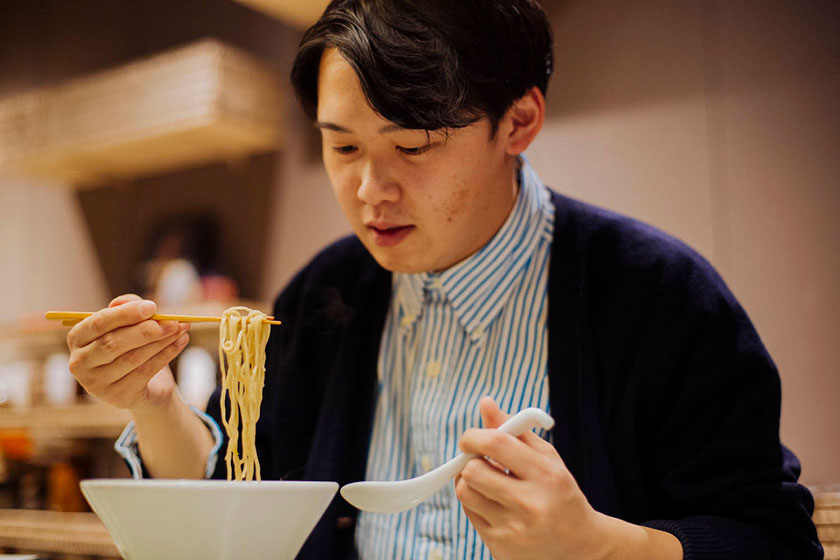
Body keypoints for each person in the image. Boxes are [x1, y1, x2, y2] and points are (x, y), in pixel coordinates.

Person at [66, 1, 823, 559]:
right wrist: (155, 402)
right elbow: (232, 492)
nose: (370, 191)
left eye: (415, 144)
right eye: (343, 148)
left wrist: (599, 545)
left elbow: (773, 540)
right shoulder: (321, 300)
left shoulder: (659, 298)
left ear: (519, 122)